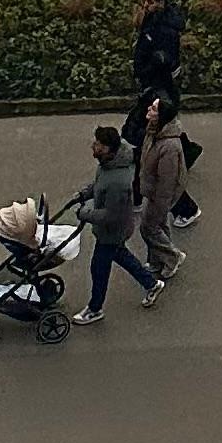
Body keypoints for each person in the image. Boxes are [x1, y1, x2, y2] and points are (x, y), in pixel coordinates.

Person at [71, 125, 162, 322]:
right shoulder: (109, 165)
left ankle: (95, 309)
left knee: (99, 268)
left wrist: (84, 214)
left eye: (97, 144)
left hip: (111, 230)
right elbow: (100, 185)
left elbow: (110, 215)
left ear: (107, 149)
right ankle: (151, 283)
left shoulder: (118, 183)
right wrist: (84, 193)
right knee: (121, 255)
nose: (93, 147)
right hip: (115, 229)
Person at [125, 0, 201, 227]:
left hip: (157, 90)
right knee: (143, 141)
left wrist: (149, 69)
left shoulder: (165, 30)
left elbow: (166, 62)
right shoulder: (154, 21)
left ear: (161, 3)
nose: (145, 5)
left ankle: (185, 208)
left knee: (143, 144)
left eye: (150, 2)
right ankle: (188, 152)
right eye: (144, 1)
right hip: (153, 88)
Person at [137, 91, 188, 285]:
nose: (149, 109)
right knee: (159, 225)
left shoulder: (169, 146)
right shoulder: (154, 132)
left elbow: (167, 181)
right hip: (152, 190)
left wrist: (162, 203)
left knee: (148, 227)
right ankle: (158, 260)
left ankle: (172, 257)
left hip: (160, 195)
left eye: (154, 108)